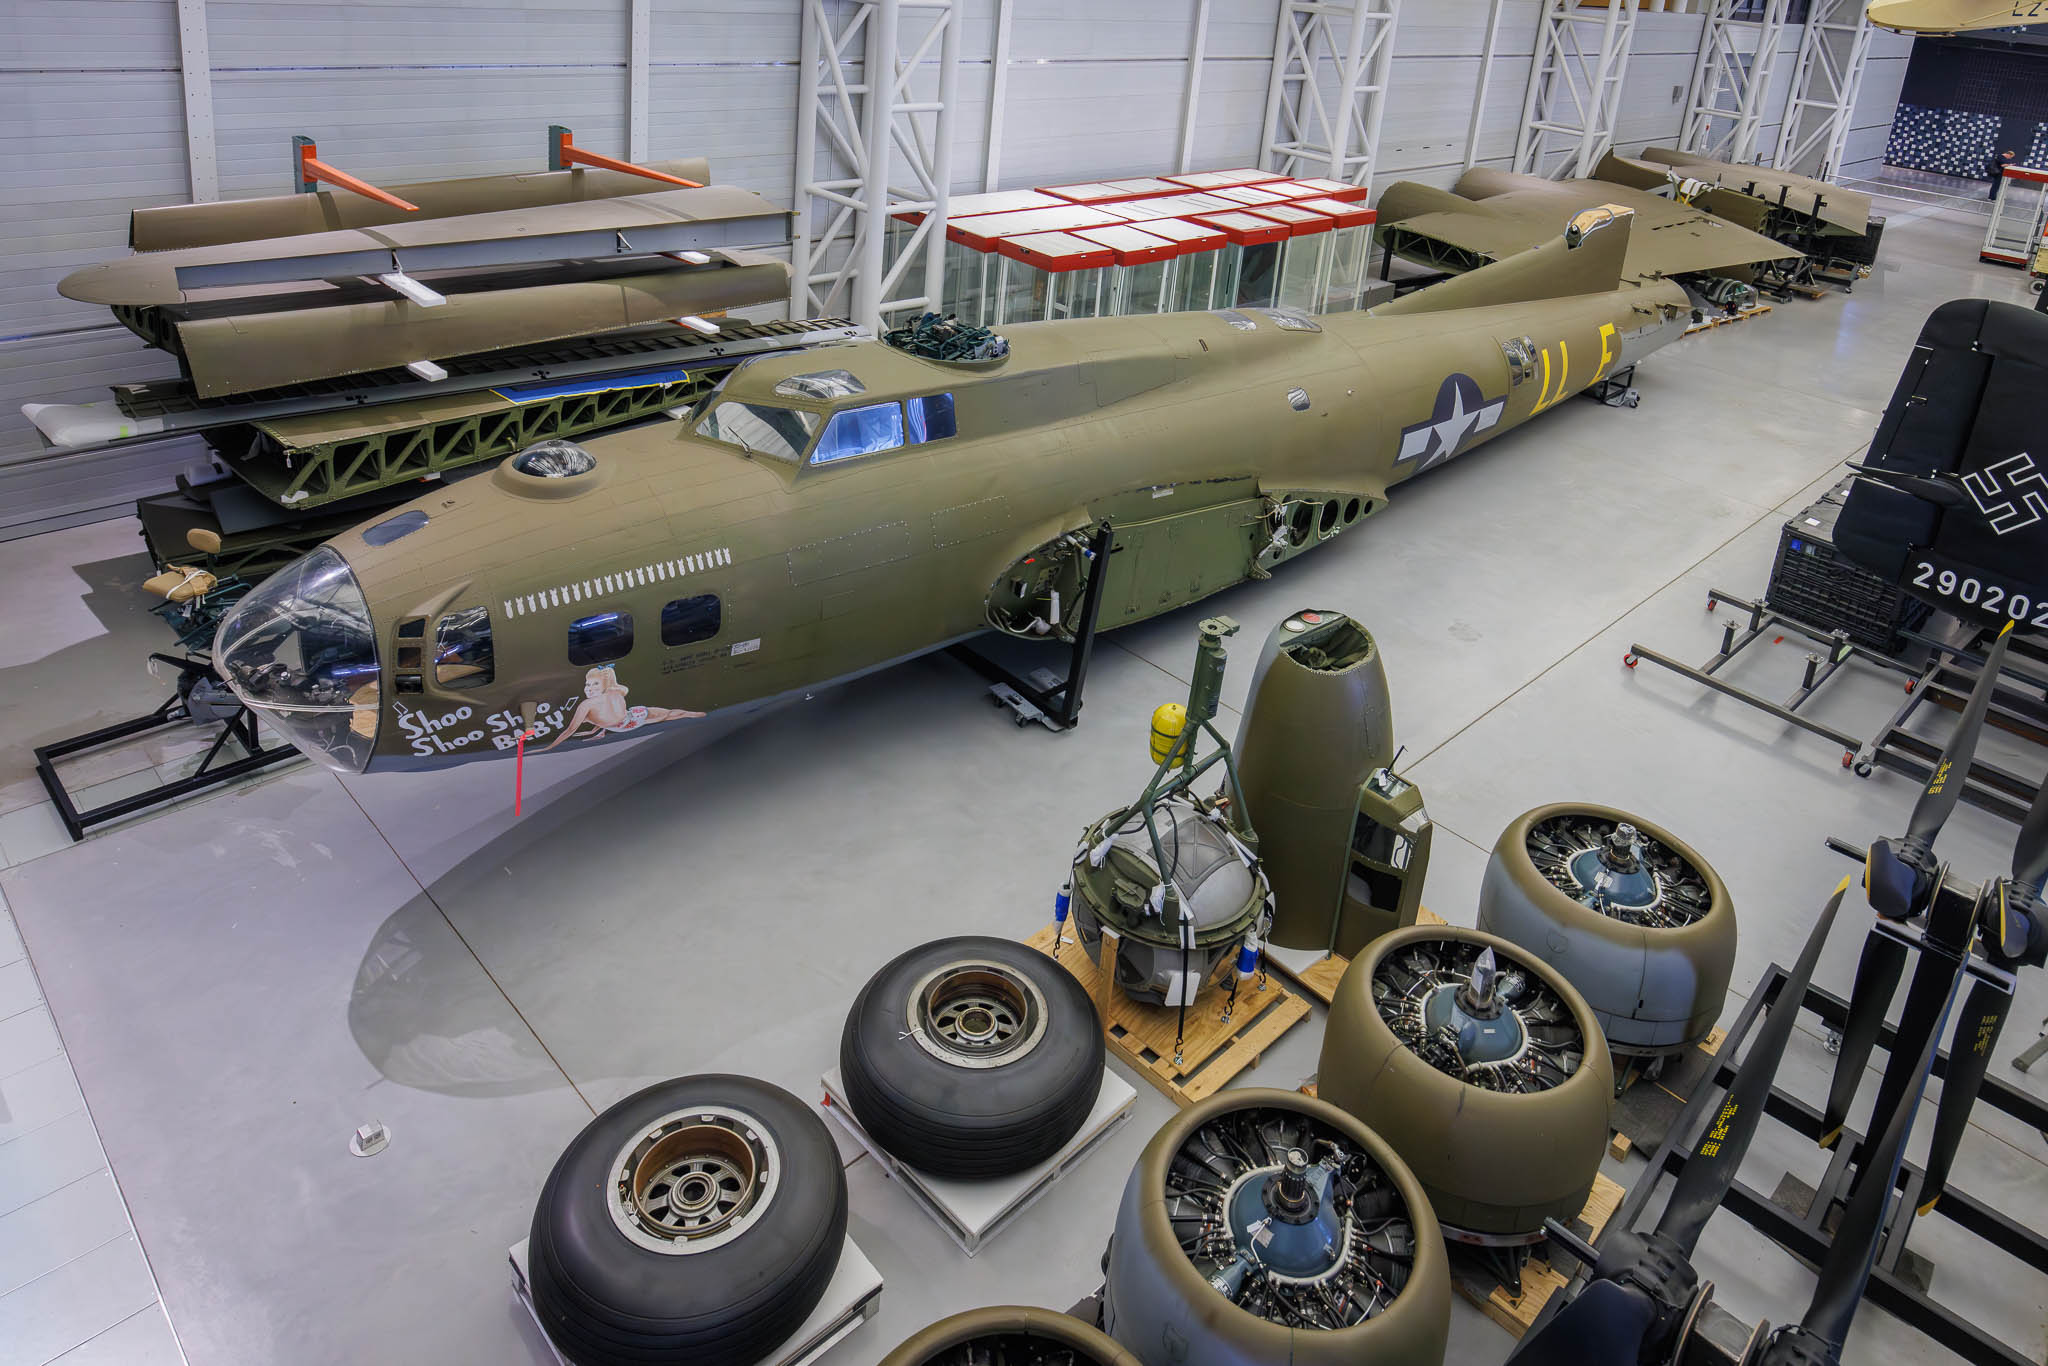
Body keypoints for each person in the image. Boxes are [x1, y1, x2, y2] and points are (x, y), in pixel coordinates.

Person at [544, 665, 704, 749]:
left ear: (604, 686)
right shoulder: (594, 702)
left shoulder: (602, 698)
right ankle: (692, 714)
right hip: (631, 720)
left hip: (632, 718)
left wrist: (548, 747)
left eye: (595, 684)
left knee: (668, 714)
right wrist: (594, 730)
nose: (589, 688)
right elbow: (578, 727)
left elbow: (572, 729)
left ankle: (692, 714)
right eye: (587, 685)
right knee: (668, 714)